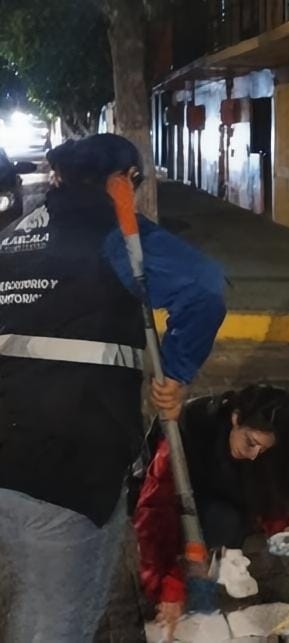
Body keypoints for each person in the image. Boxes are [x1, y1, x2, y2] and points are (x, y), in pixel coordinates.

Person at [0, 133, 225, 641]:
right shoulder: (116, 236)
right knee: (60, 619)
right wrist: (175, 373)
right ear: (123, 180)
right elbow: (204, 286)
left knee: (33, 596)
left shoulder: (12, 236)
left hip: (10, 449)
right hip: (65, 461)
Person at [132, 384, 289, 639]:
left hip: (219, 499)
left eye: (264, 449)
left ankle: (218, 559)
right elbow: (155, 514)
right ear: (235, 418)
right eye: (251, 443)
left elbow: (274, 486)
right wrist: (168, 585)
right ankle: (197, 579)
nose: (255, 455)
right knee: (216, 524)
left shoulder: (254, 450)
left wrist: (287, 525)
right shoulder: (184, 434)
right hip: (172, 501)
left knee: (229, 520)